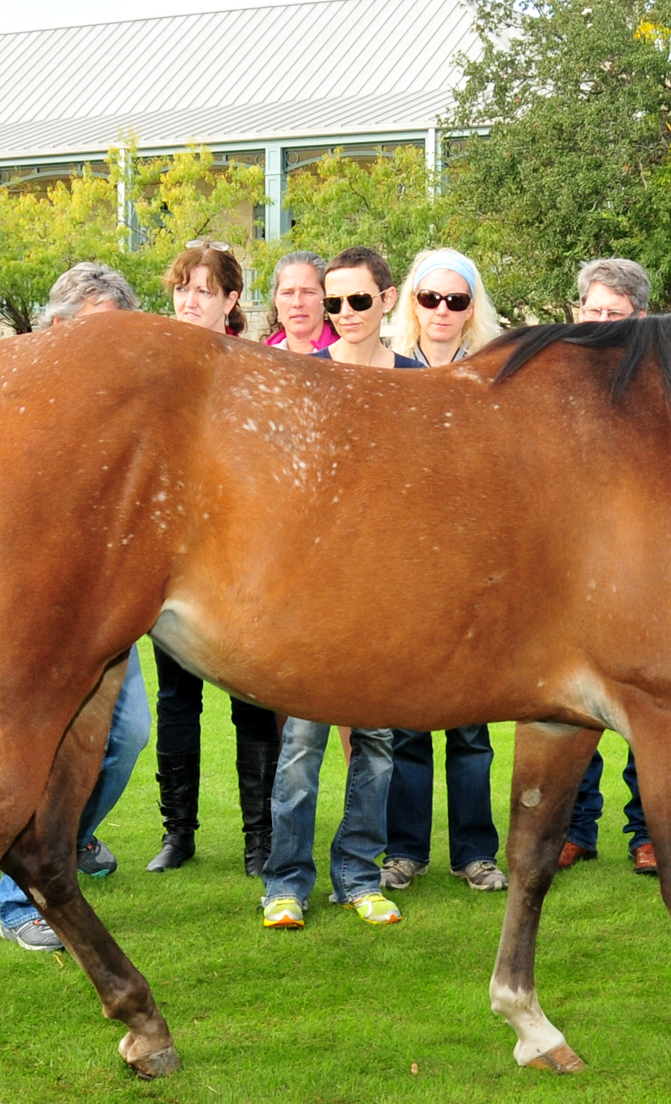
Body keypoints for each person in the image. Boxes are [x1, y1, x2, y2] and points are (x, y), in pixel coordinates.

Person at [0, 263, 152, 951]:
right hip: (40, 608)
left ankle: (71, 837)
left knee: (128, 735)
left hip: (114, 603)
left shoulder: (127, 408)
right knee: (31, 747)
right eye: (93, 333)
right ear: (57, 328)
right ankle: (16, 897)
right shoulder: (14, 398)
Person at [260, 246, 413, 929]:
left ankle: (359, 875)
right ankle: (285, 884)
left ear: (386, 298)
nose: (344, 313)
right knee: (300, 748)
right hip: (312, 595)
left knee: (377, 745)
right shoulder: (299, 377)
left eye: (357, 300)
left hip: (385, 595)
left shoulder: (416, 381)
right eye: (333, 302)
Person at [149, 241, 280, 876]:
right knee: (176, 700)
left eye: (205, 289)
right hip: (169, 558)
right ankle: (179, 833)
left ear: (231, 300)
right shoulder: (154, 368)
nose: (190, 299)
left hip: (242, 558)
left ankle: (261, 839)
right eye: (183, 287)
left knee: (253, 697)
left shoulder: (257, 369)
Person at [379, 249, 507, 893]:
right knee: (407, 726)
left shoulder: (493, 372)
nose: (442, 312)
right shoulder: (389, 370)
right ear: (411, 303)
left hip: (473, 572)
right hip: (405, 570)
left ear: (472, 307)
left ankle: (475, 852)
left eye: (456, 300)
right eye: (430, 299)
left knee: (470, 728)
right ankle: (404, 850)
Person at [559, 258, 655, 875]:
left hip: (645, 565)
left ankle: (647, 832)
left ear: (639, 319)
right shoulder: (558, 376)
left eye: (611, 315)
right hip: (574, 566)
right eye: (591, 311)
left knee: (646, 704)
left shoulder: (662, 381)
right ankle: (575, 827)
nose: (598, 323)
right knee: (572, 706)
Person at [264, 251, 338, 354]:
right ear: (275, 300)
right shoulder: (260, 358)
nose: (297, 303)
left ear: (326, 298)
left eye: (308, 292)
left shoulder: (347, 355)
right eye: (287, 293)